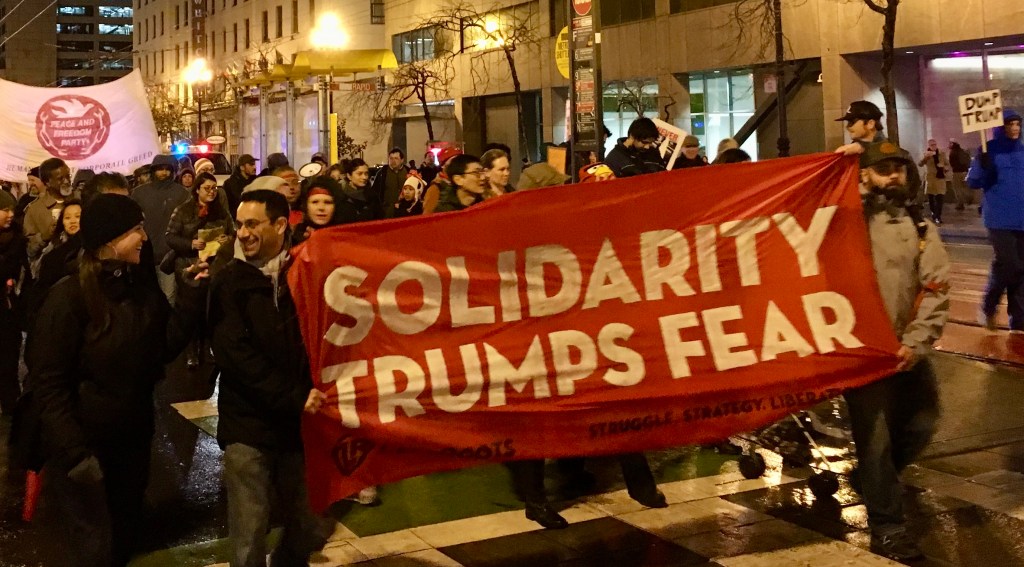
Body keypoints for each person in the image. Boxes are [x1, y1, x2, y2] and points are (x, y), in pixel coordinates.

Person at [25, 194, 205, 566]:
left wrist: (189, 294)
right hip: (84, 447)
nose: (144, 237)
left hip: (131, 441)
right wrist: (75, 453)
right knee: (94, 547)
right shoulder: (69, 297)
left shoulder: (139, 289)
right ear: (110, 240)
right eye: (136, 229)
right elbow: (49, 382)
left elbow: (162, 347)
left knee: (124, 536)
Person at [208, 189, 330, 567]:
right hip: (249, 427)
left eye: (252, 224)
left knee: (308, 525)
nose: (242, 233)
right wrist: (295, 395)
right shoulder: (228, 282)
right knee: (249, 534)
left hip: (298, 427)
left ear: (279, 225)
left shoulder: (304, 274)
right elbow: (236, 357)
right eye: (239, 225)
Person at [845, 141, 949, 561]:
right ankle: (887, 527)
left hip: (907, 350)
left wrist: (916, 342)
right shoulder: (844, 220)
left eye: (899, 169)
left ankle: (871, 480)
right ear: (864, 175)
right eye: (883, 169)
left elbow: (936, 286)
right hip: (864, 355)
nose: (893, 176)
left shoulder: (919, 225)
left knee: (923, 423)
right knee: (876, 444)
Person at [165, 172, 234, 369]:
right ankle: (191, 351)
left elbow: (232, 232)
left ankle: (210, 347)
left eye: (214, 188)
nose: (211, 192)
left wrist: (227, 239)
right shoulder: (183, 211)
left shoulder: (221, 211)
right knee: (191, 310)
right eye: (207, 188)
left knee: (211, 309)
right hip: (189, 266)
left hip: (214, 266)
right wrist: (190, 243)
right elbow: (170, 236)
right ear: (197, 190)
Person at [968, 109, 1024, 332]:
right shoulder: (987, 150)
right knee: (1009, 264)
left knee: (1022, 269)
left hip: (1022, 219)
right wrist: (983, 166)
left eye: (1018, 124)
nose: (1015, 128)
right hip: (999, 219)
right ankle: (988, 305)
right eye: (1010, 124)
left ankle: (1019, 319)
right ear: (1000, 127)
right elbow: (973, 182)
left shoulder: (1022, 150)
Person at [132, 154, 190, 304]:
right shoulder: (139, 193)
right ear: (153, 170)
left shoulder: (181, 193)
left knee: (168, 297)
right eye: (160, 169)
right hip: (144, 255)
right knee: (146, 298)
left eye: (167, 169)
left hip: (169, 255)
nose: (163, 173)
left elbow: (188, 223)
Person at [0, 189, 26, 421]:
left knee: (9, 357)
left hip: (9, 308)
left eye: (11, 210)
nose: (10, 214)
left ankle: (11, 404)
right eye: (4, 210)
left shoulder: (17, 238)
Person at [23, 158, 76, 263]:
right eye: (60, 179)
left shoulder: (81, 201)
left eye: (68, 176)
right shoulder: (34, 210)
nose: (66, 181)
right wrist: (43, 237)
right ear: (47, 183)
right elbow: (29, 251)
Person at [293, 176, 341, 244]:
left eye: (327, 202)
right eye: (315, 202)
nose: (321, 208)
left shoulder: (344, 236)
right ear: (306, 206)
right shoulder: (293, 240)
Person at [335, 158, 378, 225]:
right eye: (359, 174)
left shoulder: (372, 197)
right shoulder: (340, 196)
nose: (364, 177)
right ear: (349, 176)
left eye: (366, 173)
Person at [371, 147, 409, 219]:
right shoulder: (382, 173)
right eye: (391, 158)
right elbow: (374, 191)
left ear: (402, 160)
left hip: (404, 211)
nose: (393, 161)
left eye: (396, 158)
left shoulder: (408, 172)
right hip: (386, 212)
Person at [918, 139, 949, 225]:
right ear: (929, 146)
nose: (934, 146)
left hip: (940, 178)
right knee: (931, 198)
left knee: (940, 198)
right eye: (932, 145)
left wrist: (944, 167)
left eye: (935, 144)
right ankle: (933, 213)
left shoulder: (941, 154)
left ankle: (938, 216)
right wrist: (926, 158)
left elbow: (947, 164)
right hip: (931, 179)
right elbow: (920, 164)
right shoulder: (926, 154)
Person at [422, 147, 462, 214]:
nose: (457, 165)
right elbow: (427, 214)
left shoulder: (460, 183)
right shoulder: (436, 188)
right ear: (443, 165)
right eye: (453, 161)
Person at [947, 139, 973, 211]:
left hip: (957, 172)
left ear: (952, 144)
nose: (948, 145)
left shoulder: (953, 152)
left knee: (957, 188)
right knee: (964, 186)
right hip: (965, 172)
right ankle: (969, 197)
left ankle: (960, 204)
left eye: (950, 144)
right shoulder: (963, 151)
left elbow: (952, 163)